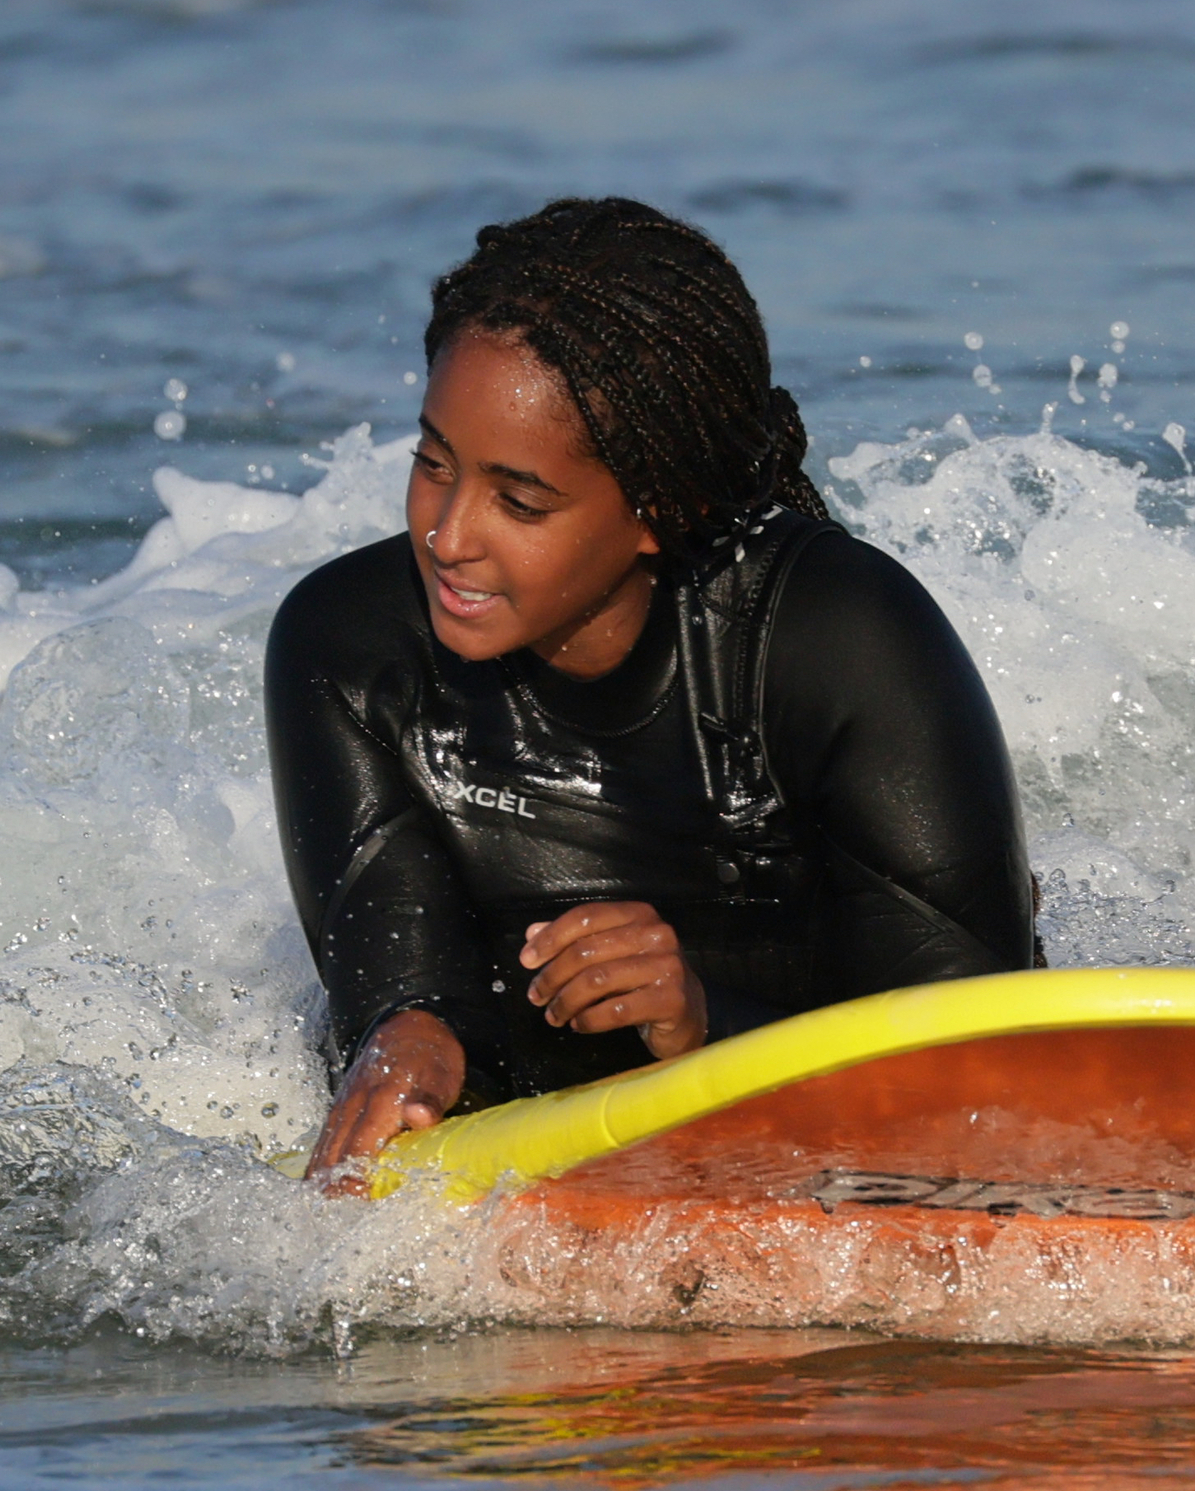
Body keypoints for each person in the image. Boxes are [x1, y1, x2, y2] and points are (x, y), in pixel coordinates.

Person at [265, 197, 1037, 1196]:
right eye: (431, 464)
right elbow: (398, 986)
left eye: (519, 500)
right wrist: (412, 1034)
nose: (447, 536)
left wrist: (699, 1024)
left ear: (659, 507)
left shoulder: (837, 639)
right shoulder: (352, 650)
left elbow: (969, 1053)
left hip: (832, 1123)